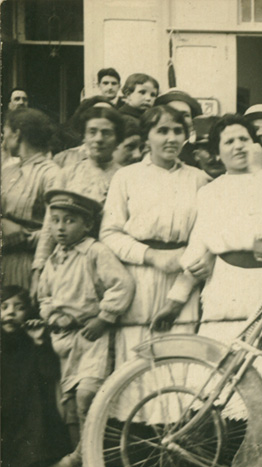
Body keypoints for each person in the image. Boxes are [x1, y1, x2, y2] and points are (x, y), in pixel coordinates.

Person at [152, 114, 262, 421]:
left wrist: (253, 239)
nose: (238, 146)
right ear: (218, 152)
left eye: (244, 139)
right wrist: (174, 302)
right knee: (221, 390)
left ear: (256, 144)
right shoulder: (210, 192)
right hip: (225, 289)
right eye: (229, 141)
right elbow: (201, 248)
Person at [100, 105, 210, 371]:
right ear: (146, 136)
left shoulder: (199, 179)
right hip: (139, 279)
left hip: (184, 281)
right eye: (162, 131)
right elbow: (109, 234)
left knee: (180, 362)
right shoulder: (126, 177)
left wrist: (185, 283)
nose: (171, 138)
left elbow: (205, 237)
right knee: (138, 363)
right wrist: (152, 256)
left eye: (177, 131)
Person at [37, 191, 135, 467]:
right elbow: (45, 296)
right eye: (55, 221)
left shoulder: (95, 252)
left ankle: (83, 459)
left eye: (69, 221)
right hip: (65, 341)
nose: (61, 228)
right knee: (67, 404)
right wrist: (51, 315)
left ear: (88, 225)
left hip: (92, 337)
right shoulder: (55, 258)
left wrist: (104, 317)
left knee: (88, 395)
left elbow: (122, 285)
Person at [34, 107, 125, 274]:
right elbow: (49, 224)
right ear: (84, 136)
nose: (98, 139)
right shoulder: (67, 174)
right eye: (92, 132)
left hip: (109, 264)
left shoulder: (125, 177)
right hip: (66, 263)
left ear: (117, 139)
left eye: (106, 133)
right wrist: (39, 265)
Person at [1, 285, 70, 467]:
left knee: (34, 461)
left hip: (27, 415)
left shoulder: (31, 339)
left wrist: (39, 341)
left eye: (19, 307)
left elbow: (50, 374)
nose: (10, 313)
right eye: (4, 307)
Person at [1, 108, 63, 290]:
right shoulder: (7, 170)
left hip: (30, 264)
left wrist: (24, 236)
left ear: (17, 134)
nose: (3, 140)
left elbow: (53, 228)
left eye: (5, 133)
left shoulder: (51, 173)